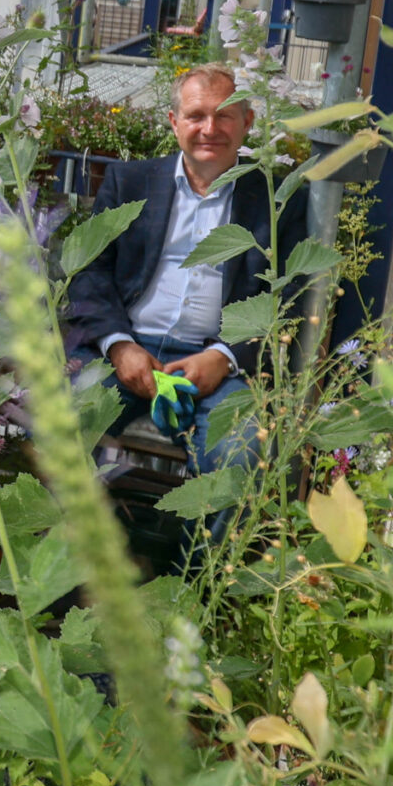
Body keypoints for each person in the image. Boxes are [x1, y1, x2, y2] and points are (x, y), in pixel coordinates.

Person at [60, 65, 308, 536]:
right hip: (125, 355)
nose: (210, 129)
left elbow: (288, 297)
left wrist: (224, 357)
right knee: (61, 426)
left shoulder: (275, 200)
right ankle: (82, 570)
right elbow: (88, 271)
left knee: (241, 452)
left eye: (225, 116)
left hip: (216, 368)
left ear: (248, 122)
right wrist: (118, 345)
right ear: (174, 123)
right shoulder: (128, 183)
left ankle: (202, 587)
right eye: (196, 116)